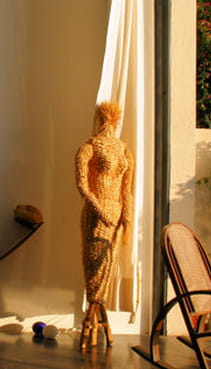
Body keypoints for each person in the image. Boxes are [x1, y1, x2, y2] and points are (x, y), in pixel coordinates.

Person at [75, 102, 134, 349]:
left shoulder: (123, 150)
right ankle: (94, 311)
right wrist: (100, 210)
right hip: (96, 214)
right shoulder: (88, 147)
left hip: (116, 214)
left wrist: (126, 216)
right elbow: (83, 185)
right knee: (94, 265)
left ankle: (95, 316)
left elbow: (126, 189)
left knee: (108, 265)